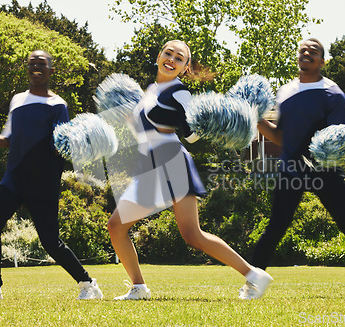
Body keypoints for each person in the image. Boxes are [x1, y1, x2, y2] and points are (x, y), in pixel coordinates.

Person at [107, 40, 273, 300]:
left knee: (189, 234)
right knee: (120, 226)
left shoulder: (179, 92)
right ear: (159, 55)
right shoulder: (151, 89)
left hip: (170, 161)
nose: (171, 59)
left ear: (184, 68)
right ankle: (139, 287)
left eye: (179, 58)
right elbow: (144, 129)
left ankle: (253, 275)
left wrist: (175, 122)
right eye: (168, 53)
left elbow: (193, 135)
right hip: (150, 163)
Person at [249, 39, 345, 299]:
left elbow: (339, 139)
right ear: (297, 57)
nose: (306, 53)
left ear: (322, 61)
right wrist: (256, 120)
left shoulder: (333, 93)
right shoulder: (285, 92)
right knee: (276, 227)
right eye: (303, 50)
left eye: (313, 52)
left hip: (324, 171)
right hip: (291, 169)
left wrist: (327, 160)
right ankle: (252, 285)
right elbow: (281, 137)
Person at [0, 50, 103, 300]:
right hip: (13, 179)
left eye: (41, 64)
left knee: (50, 242)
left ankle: (88, 284)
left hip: (43, 182)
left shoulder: (58, 105)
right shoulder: (17, 100)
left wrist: (78, 144)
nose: (36, 67)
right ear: (27, 69)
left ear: (51, 71)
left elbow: (62, 145)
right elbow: (9, 139)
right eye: (31, 63)